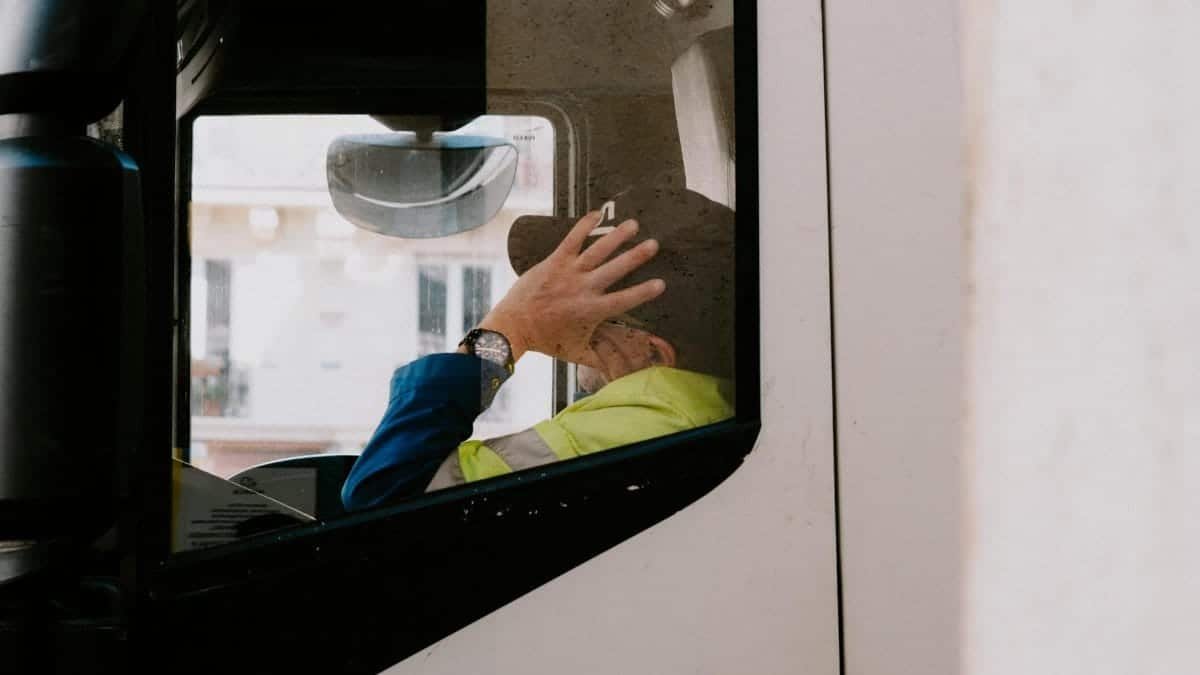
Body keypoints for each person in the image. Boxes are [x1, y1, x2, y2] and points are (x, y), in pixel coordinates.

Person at [341, 184, 736, 511]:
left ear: (653, 355)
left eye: (584, 311)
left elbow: (383, 497)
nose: (561, 323)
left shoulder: (636, 430)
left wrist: (513, 326)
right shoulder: (700, 411)